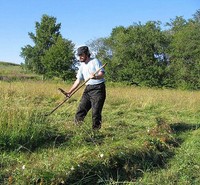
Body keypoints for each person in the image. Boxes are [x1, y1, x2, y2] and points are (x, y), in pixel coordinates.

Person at [66, 46, 106, 130]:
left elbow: (102, 74)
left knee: (96, 112)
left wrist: (95, 77)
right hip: (88, 89)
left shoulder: (95, 61)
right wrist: (70, 92)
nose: (80, 57)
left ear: (86, 54)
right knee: (80, 111)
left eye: (81, 55)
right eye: (78, 55)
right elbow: (78, 80)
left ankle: (95, 132)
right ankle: (77, 130)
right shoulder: (82, 66)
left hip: (98, 89)